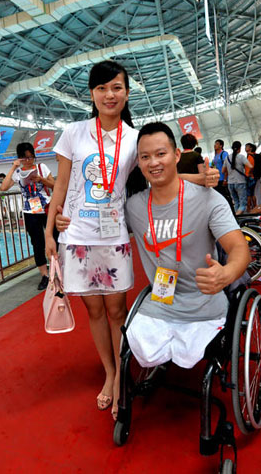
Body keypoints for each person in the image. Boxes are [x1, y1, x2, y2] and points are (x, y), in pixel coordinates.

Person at [44, 60, 219, 417]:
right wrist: (50, 229)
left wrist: (203, 180)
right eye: (102, 88)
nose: (109, 95)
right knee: (94, 310)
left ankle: (122, 372)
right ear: (92, 94)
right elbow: (61, 184)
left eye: (117, 88)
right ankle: (110, 373)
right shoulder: (73, 132)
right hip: (77, 236)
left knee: (116, 309)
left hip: (114, 235)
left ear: (126, 92)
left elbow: (160, 175)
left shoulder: (133, 139)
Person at [122, 122, 250, 371]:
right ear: (138, 163)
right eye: (145, 157)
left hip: (205, 306)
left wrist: (226, 273)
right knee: (136, 349)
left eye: (161, 154)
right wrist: (64, 221)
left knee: (189, 356)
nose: (153, 162)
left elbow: (238, 248)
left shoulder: (209, 200)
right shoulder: (134, 207)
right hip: (160, 301)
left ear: (177, 155)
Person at [0, 142, 55, 290]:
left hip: (47, 208)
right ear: (19, 158)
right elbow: (4, 187)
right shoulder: (17, 173)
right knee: (37, 243)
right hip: (30, 212)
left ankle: (60, 269)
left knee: (56, 238)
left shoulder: (41, 168)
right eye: (25, 158)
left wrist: (41, 180)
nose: (29, 161)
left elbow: (55, 185)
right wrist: (13, 167)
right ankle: (45, 275)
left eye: (31, 157)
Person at [225, 141, 251, 214]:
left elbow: (223, 170)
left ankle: (237, 219)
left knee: (236, 202)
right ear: (239, 148)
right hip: (240, 182)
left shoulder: (227, 157)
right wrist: (247, 172)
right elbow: (250, 166)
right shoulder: (241, 157)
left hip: (230, 183)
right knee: (242, 204)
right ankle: (236, 217)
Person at [211, 139, 233, 211]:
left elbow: (226, 166)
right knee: (219, 197)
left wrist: (225, 179)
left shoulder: (224, 154)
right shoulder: (215, 155)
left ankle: (230, 211)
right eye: (215, 143)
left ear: (221, 145)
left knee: (226, 196)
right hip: (217, 179)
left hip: (223, 179)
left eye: (217, 144)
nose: (215, 145)